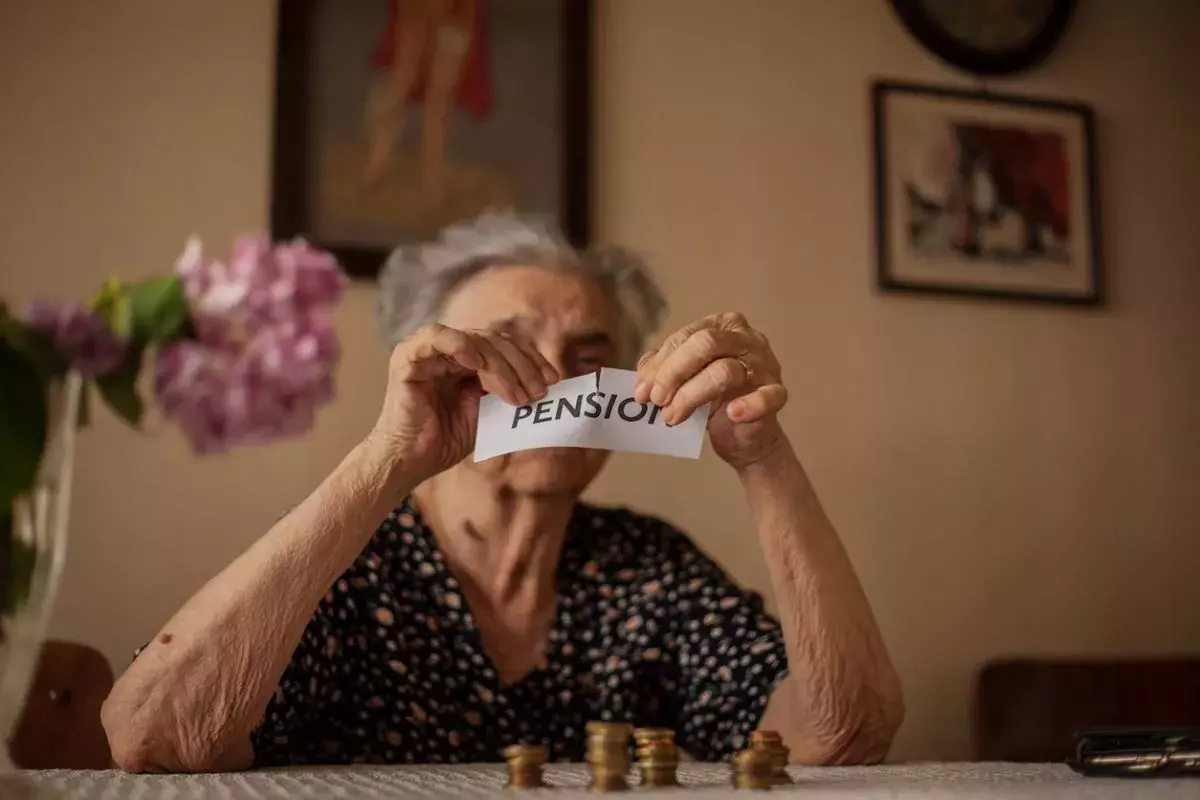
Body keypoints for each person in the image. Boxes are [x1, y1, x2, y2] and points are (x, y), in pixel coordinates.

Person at [101, 212, 904, 772]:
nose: (555, 378)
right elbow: (154, 737)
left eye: (591, 353)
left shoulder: (647, 569)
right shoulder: (353, 563)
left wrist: (764, 456)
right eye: (507, 350)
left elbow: (845, 736)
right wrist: (391, 454)